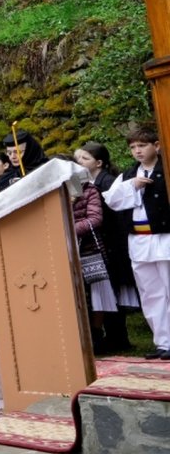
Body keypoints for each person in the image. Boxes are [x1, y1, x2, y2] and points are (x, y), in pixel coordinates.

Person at [101, 125, 169, 359]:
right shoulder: (129, 174)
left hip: (165, 237)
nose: (137, 151)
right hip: (139, 241)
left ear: (156, 146)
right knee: (151, 293)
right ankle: (163, 342)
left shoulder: (165, 169)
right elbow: (111, 200)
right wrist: (133, 185)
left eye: (142, 145)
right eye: (133, 147)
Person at [74, 141, 137, 352]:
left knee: (112, 293)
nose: (79, 162)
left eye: (84, 158)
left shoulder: (107, 182)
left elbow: (112, 215)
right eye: (78, 158)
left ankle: (118, 338)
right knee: (107, 293)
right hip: (102, 241)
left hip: (111, 242)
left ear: (99, 163)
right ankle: (111, 338)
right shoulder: (87, 183)